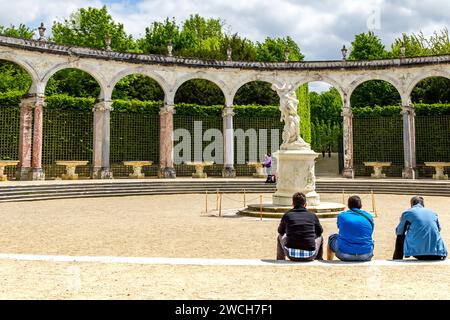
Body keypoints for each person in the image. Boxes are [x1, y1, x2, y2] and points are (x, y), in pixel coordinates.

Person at [393, 196, 447, 261]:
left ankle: (397, 259)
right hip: (438, 253)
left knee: (399, 237)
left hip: (419, 253)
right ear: (423, 204)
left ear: (412, 204)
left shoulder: (408, 213)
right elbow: (439, 229)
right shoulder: (433, 213)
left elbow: (399, 232)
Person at [277, 192, 324, 261]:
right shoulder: (312, 215)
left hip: (291, 254)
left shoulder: (287, 215)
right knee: (320, 237)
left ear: (293, 204)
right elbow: (320, 231)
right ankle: (319, 259)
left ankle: (280, 259)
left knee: (280, 236)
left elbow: (280, 231)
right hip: (310, 254)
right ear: (305, 204)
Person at [327, 195, 374, 261]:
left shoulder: (342, 216)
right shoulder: (369, 216)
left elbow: (340, 228)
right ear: (361, 205)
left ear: (348, 205)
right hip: (366, 254)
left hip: (344, 254)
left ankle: (329, 260)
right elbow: (371, 231)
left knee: (331, 237)